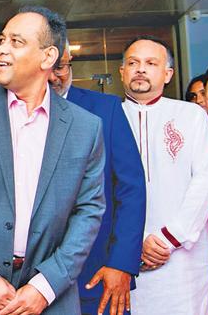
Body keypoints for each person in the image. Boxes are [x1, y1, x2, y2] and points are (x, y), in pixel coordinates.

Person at [0, 6, 106, 315]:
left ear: (48, 57)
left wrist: (45, 286)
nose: (1, 49)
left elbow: (89, 211)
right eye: (2, 40)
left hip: (50, 298)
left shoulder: (85, 127)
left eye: (16, 41)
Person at [119, 35, 208, 315]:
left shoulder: (191, 115)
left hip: (182, 256)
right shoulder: (106, 117)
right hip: (125, 254)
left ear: (168, 74)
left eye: (151, 63)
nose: (140, 69)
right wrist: (132, 244)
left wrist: (167, 238)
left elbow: (205, 182)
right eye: (133, 63)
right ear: (122, 72)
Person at [49, 43, 146, 315]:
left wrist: (122, 263)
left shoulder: (106, 108)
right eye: (46, 68)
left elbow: (131, 189)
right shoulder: (12, 114)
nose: (54, 77)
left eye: (61, 67)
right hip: (31, 277)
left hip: (99, 270)